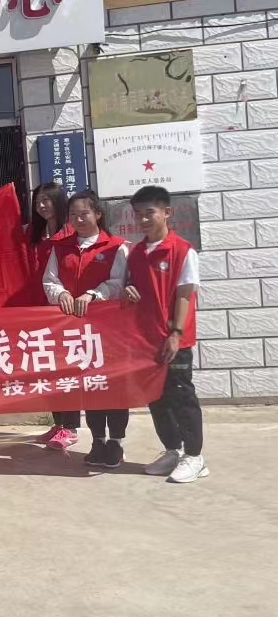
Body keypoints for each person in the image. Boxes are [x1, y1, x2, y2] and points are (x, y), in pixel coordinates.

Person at [122, 186, 207, 484]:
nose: (143, 220)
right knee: (156, 398)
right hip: (145, 340)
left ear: (167, 212)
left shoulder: (182, 250)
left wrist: (176, 333)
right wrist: (128, 292)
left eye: (150, 213)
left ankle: (194, 456)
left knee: (181, 396)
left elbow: (185, 294)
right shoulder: (135, 253)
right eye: (138, 214)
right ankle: (173, 450)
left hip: (173, 339)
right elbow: (131, 289)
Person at [43, 191, 130, 468]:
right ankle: (98, 440)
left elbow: (119, 282)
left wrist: (94, 294)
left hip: (110, 330)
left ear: (98, 215)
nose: (78, 220)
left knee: (111, 385)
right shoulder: (60, 247)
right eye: (73, 215)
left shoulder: (116, 247)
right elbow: (50, 280)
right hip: (76, 332)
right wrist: (61, 294)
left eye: (84, 214)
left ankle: (116, 442)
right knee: (89, 385)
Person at [26, 182, 77, 444]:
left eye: (46, 200)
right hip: (38, 308)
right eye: (38, 202)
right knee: (47, 368)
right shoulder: (34, 234)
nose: (42, 206)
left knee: (65, 368)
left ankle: (71, 427)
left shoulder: (71, 233)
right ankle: (58, 423)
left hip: (63, 310)